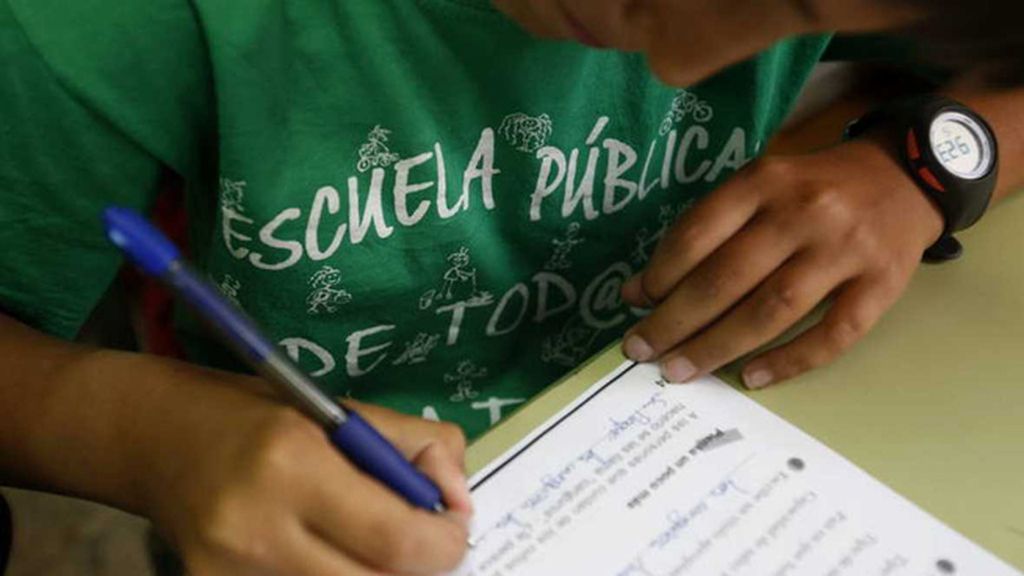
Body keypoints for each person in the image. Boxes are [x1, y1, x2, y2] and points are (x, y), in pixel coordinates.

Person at [0, 1, 1020, 575]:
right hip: (291, 517)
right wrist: (146, 436)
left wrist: (927, 168)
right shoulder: (103, 20)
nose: (679, 60)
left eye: (794, 7)